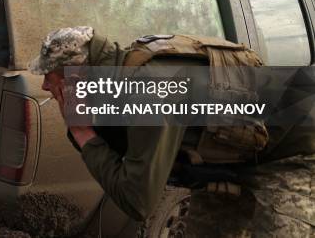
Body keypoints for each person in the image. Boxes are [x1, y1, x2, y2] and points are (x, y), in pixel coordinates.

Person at [29, 26, 315, 237]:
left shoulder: (149, 91)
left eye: (49, 76)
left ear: (77, 74)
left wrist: (83, 135)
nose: (44, 86)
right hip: (230, 163)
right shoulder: (119, 77)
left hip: (293, 153)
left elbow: (138, 201)